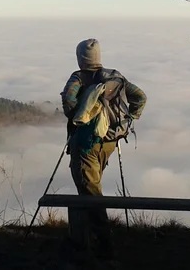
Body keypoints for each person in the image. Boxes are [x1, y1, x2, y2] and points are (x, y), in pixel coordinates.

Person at [60, 38, 147, 260]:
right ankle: (91, 236)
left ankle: (103, 246)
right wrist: (130, 118)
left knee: (90, 193)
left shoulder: (78, 78)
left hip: (85, 145)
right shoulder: (115, 77)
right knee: (92, 186)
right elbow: (140, 96)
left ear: (81, 58)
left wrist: (82, 120)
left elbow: (69, 103)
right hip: (109, 142)